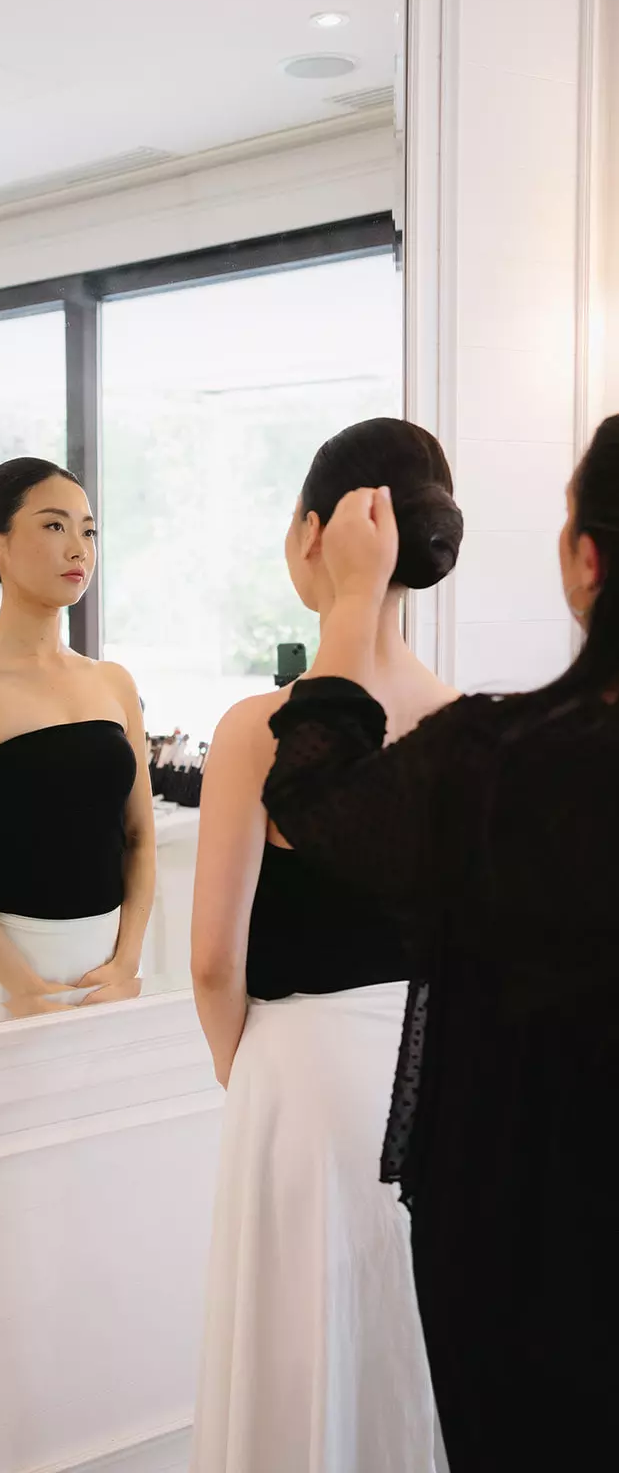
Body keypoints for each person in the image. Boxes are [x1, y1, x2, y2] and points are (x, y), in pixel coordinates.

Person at [258, 414, 619, 1472]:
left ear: (584, 561)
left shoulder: (502, 764)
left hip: (535, 1236)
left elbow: (312, 803)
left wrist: (347, 608)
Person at [191, 420, 462, 1473]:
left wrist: (248, 1065)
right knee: (414, 1342)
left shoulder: (258, 726)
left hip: (301, 1072)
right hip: (438, 1073)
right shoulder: (466, 718)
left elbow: (212, 960)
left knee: (304, 1352)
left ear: (320, 533)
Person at [0, 458, 154, 1031]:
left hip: (107, 969)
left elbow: (139, 837)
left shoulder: (113, 681)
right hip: (1, 967)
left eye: (88, 530)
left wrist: (128, 959)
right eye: (54, 526)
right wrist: (21, 985)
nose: (79, 549)